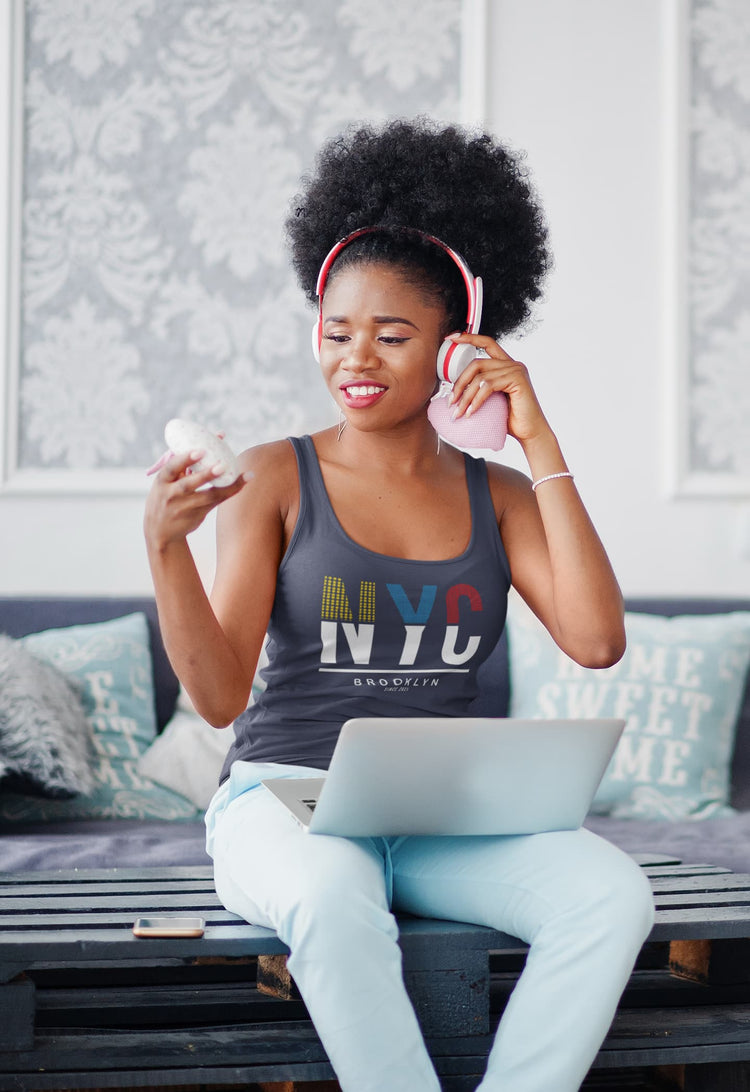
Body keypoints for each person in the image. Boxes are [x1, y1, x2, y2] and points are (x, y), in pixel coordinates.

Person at [144, 118, 654, 1092]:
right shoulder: (271, 477)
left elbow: (594, 639)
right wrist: (165, 546)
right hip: (284, 804)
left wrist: (536, 437)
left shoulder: (497, 496)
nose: (356, 359)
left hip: (438, 818)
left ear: (455, 349)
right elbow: (216, 698)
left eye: (391, 334)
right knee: (336, 901)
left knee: (608, 894)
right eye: (336, 332)